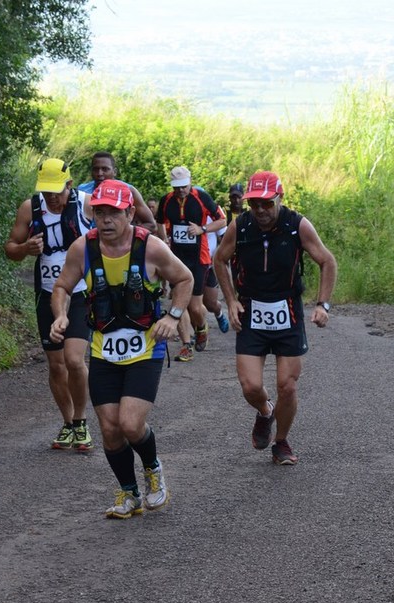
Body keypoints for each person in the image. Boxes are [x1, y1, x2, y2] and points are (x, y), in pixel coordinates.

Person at [49, 179, 193, 518]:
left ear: (130, 213)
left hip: (145, 347)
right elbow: (62, 286)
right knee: (110, 429)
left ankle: (153, 469)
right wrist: (60, 315)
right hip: (104, 349)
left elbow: (185, 278)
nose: (106, 220)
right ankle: (129, 493)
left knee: (130, 424)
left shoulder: (150, 247)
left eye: (114, 212)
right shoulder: (83, 248)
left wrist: (172, 317)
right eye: (100, 212)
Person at [213, 171, 337, 466]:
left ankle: (281, 442)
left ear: (280, 198)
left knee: (287, 385)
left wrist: (323, 305)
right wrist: (230, 300)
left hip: (287, 309)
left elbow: (327, 261)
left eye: (267, 203)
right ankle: (265, 411)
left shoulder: (297, 225)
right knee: (250, 386)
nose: (260, 210)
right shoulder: (241, 226)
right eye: (254, 203)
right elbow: (219, 259)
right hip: (250, 309)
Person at [4, 158, 95, 452]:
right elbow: (10, 249)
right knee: (56, 365)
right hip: (46, 293)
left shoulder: (87, 204)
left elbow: (115, 232)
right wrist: (25, 248)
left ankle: (81, 420)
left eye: (57, 191)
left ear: (70, 184)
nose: (52, 197)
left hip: (80, 293)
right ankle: (68, 423)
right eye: (46, 191)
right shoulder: (30, 208)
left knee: (74, 360)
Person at [156, 166, 227, 361]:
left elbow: (222, 220)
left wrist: (202, 229)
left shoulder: (201, 197)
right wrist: (163, 239)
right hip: (177, 257)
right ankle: (186, 345)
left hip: (198, 257)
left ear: (190, 182)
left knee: (195, 307)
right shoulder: (166, 200)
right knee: (179, 302)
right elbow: (159, 221)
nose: (180, 190)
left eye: (184, 186)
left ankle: (201, 327)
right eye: (176, 187)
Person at [78, 151, 158, 233]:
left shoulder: (128, 191)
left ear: (114, 171)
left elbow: (151, 225)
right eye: (96, 169)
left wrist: (123, 233)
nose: (100, 173)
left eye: (105, 169)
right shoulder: (81, 191)